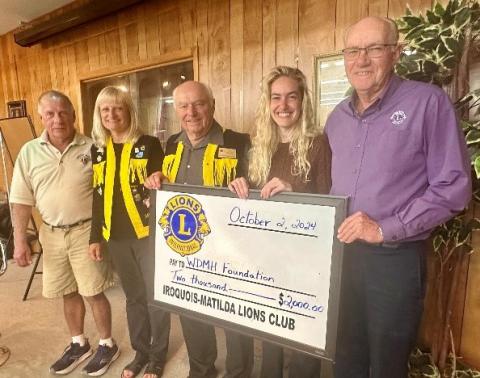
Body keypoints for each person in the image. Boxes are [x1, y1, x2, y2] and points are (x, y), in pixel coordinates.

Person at [325, 16, 471, 378]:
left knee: (388, 363)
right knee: (345, 357)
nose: (361, 60)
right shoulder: (336, 119)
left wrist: (385, 228)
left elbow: (454, 185)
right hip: (340, 257)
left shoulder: (427, 103)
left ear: (395, 53)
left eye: (374, 48)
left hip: (394, 260)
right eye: (353, 51)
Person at [144, 80, 253, 378]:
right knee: (192, 309)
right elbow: (168, 186)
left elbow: (257, 192)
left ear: (212, 105)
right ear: (176, 110)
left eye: (199, 104)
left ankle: (239, 372)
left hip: (230, 250)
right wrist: (156, 178)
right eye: (183, 106)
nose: (191, 112)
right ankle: (201, 368)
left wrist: (247, 185)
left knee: (235, 315)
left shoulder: (238, 142)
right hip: (187, 245)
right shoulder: (171, 144)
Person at [228, 66, 331, 377]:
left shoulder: (318, 144)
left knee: (301, 339)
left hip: (304, 258)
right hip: (268, 257)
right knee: (270, 331)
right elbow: (256, 197)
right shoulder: (260, 147)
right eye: (276, 97)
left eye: (291, 97)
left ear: (303, 102)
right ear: (267, 103)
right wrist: (239, 185)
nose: (283, 106)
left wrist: (293, 190)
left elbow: (329, 201)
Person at [10, 90, 119, 376]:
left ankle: (107, 344)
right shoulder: (29, 152)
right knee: (67, 292)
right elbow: (21, 199)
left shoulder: (94, 146)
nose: (57, 120)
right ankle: (79, 343)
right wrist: (20, 239)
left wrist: (102, 234)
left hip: (86, 231)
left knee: (93, 291)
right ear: (42, 117)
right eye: (50, 114)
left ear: (72, 114)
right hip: (52, 234)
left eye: (62, 113)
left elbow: (108, 193)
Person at [88, 86, 170, 378]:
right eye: (105, 109)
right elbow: (97, 195)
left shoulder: (147, 143)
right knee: (133, 297)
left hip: (146, 233)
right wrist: (95, 236)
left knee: (154, 296)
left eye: (117, 108)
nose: (111, 114)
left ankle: (158, 356)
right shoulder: (97, 149)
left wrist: (159, 175)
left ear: (128, 111)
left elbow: (162, 179)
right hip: (116, 237)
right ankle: (141, 353)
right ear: (99, 114)